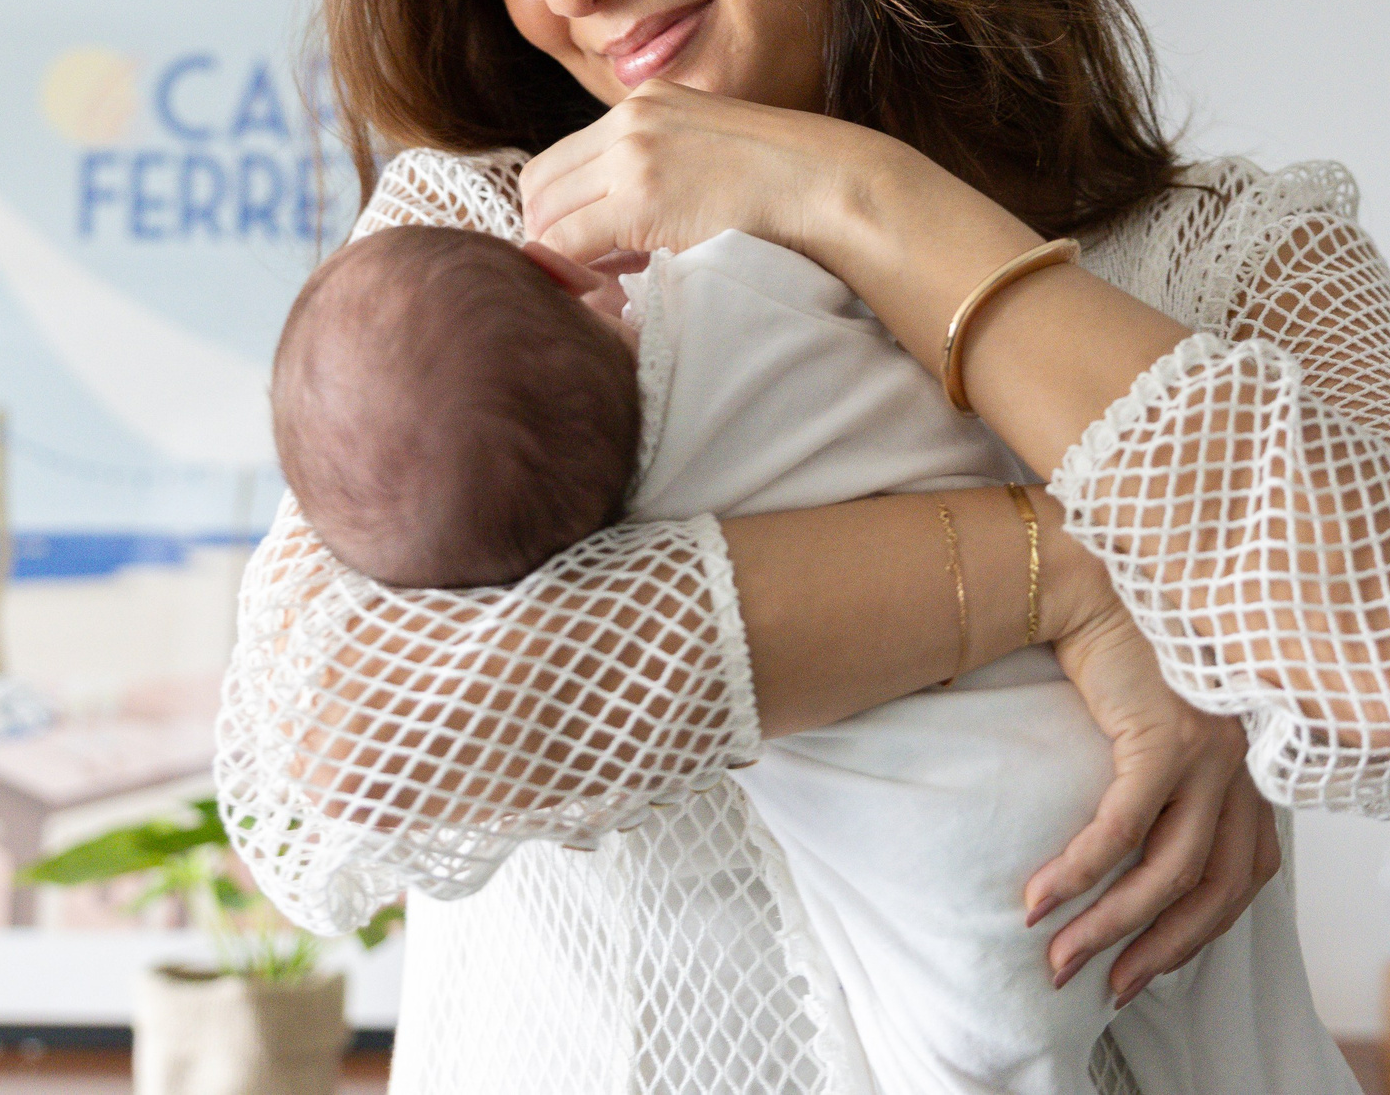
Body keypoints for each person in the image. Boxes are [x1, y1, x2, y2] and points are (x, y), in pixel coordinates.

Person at [215, 0, 1390, 1095]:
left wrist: (850, 194)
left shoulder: (1241, 254)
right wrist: (1064, 574)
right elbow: (343, 749)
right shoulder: (498, 251)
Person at [269, 216, 1201, 1092]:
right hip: (1087, 755)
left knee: (981, 1034)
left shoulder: (626, 540)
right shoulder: (742, 279)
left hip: (989, 859)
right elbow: (345, 750)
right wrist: (1074, 559)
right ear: (558, 262)